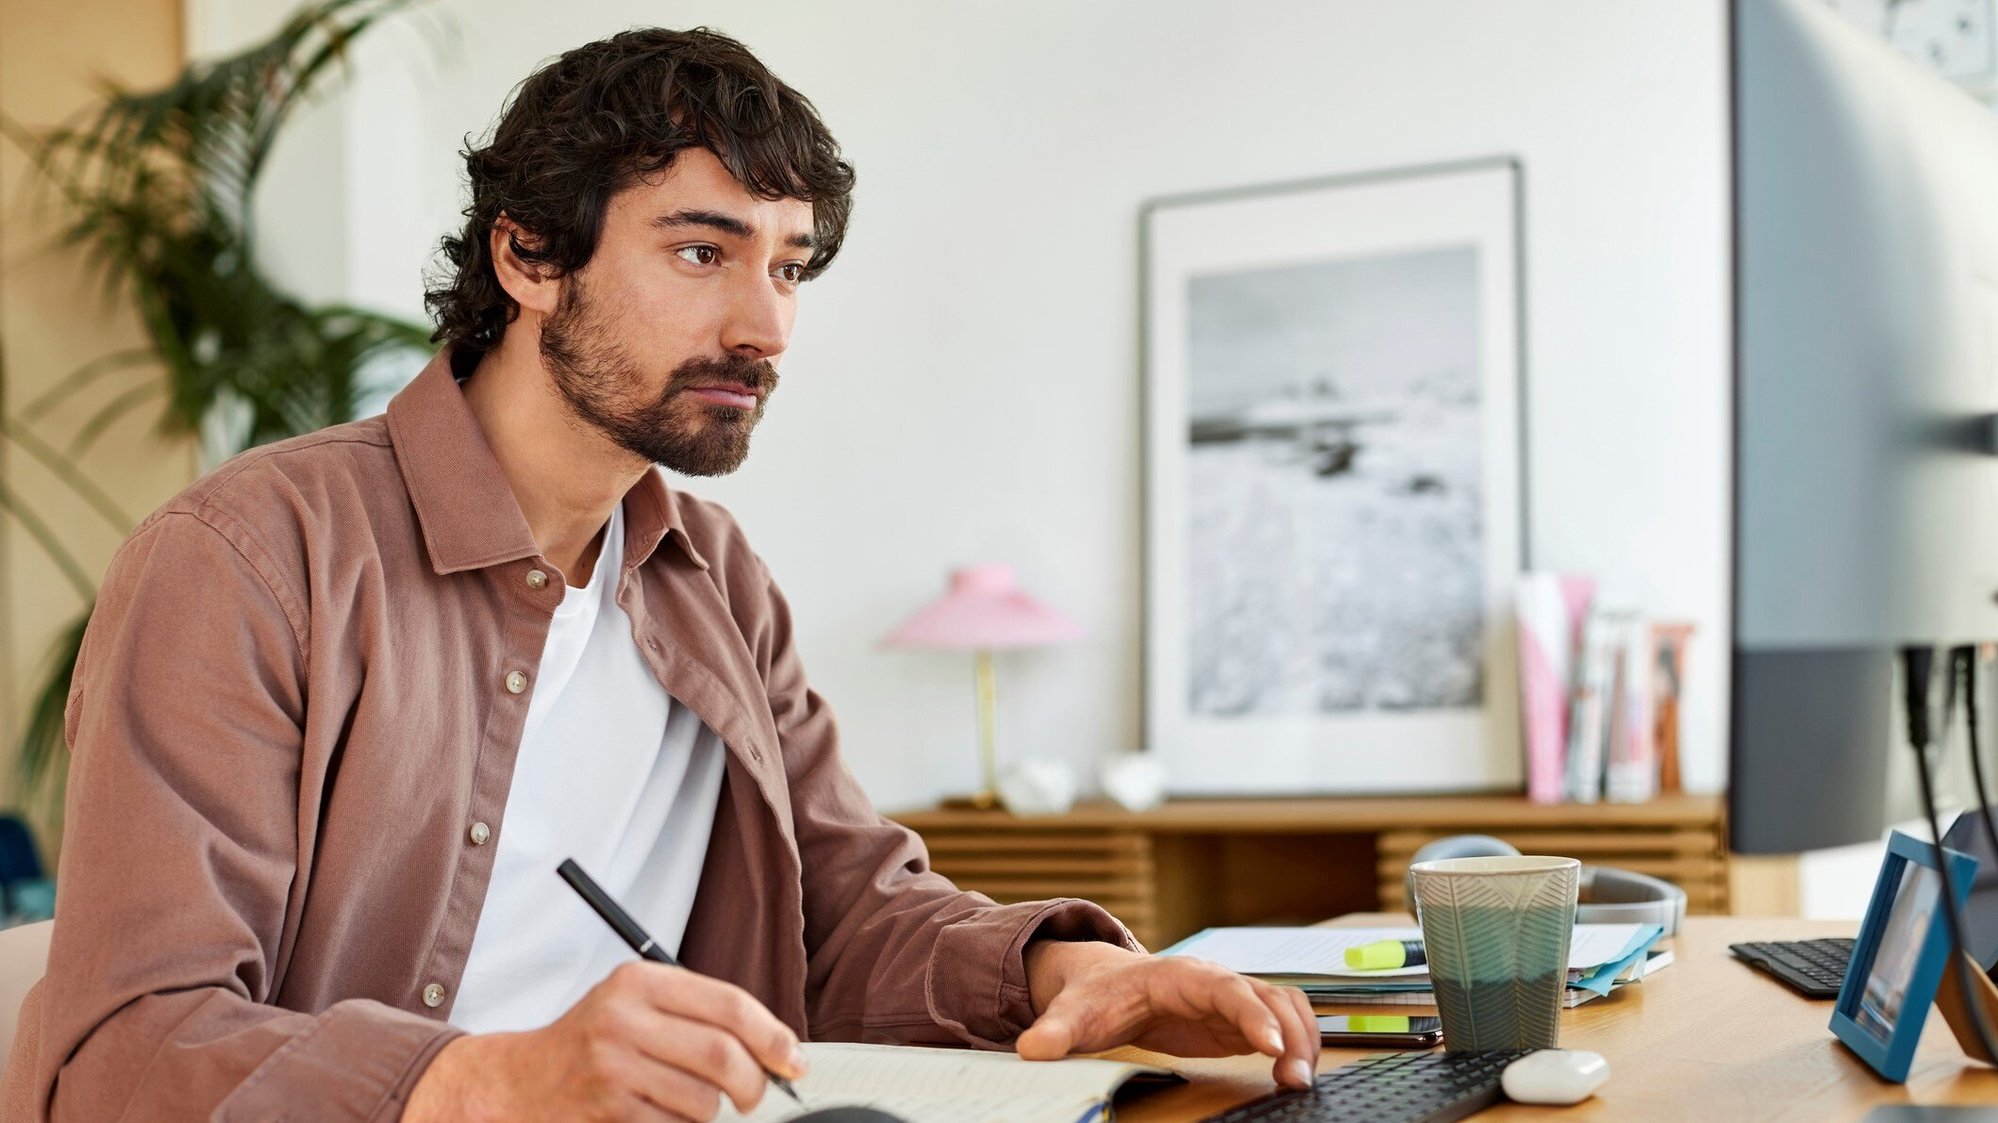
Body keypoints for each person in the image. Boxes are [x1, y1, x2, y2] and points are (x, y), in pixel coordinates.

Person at [1, 27, 1320, 1122]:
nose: (765, 326)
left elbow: (844, 915)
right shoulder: (246, 562)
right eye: (701, 253)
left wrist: (1074, 977)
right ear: (530, 257)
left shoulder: (713, 576)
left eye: (787, 267)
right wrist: (489, 1082)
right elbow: (123, 1053)